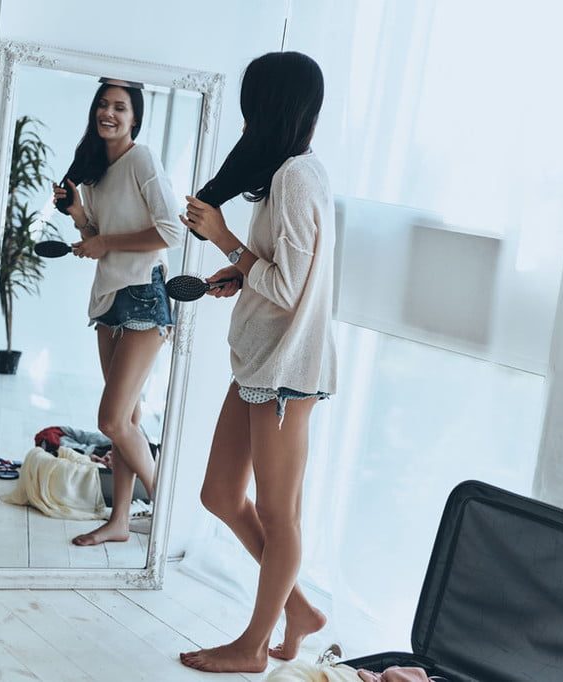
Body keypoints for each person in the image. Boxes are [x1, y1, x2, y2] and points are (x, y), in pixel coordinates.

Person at [178, 51, 337, 673]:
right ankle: (299, 609)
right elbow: (277, 270)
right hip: (259, 363)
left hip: (286, 373)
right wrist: (239, 272)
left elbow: (293, 284)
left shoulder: (298, 176)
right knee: (220, 493)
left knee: (278, 512)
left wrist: (224, 239)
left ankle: (252, 646)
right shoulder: (288, 173)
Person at [52, 79, 184, 546]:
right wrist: (78, 215)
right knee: (127, 420)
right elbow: (97, 235)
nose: (109, 113)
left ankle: (168, 506)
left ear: (135, 118)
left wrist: (105, 241)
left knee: (111, 420)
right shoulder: (94, 171)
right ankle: (121, 521)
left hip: (145, 294)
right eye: (103, 105)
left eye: (120, 107)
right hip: (109, 297)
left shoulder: (142, 159)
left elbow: (170, 230)